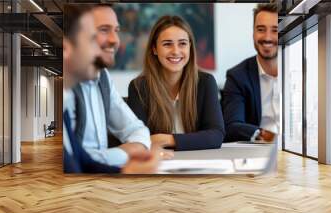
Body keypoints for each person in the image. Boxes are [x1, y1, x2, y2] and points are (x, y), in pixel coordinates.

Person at [63, 5, 159, 173]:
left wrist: (128, 163)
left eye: (117, 30)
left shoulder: (103, 77)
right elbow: (76, 162)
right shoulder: (66, 95)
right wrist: (127, 154)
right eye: (101, 31)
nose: (115, 40)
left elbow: (136, 129)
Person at [127, 15, 225, 151]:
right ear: (154, 49)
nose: (175, 51)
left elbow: (216, 135)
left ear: (190, 47)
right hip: (158, 164)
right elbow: (139, 140)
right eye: (167, 44)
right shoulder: (138, 87)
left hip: (198, 162)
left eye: (182, 43)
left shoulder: (205, 82)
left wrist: (168, 139)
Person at [222, 3, 279, 142]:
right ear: (253, 33)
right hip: (258, 151)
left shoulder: (304, 70)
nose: (267, 37)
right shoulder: (237, 76)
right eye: (261, 29)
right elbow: (232, 125)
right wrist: (271, 138)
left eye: (275, 30)